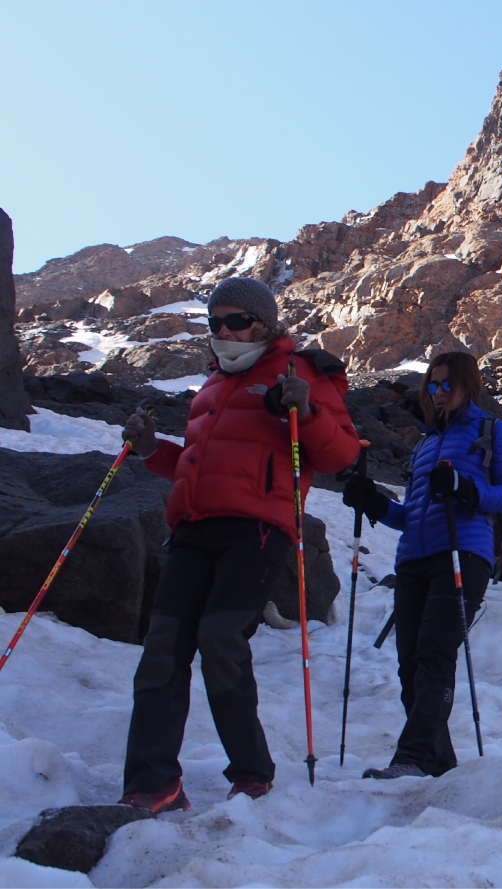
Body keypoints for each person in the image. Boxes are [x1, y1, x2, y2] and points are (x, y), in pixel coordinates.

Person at [118, 277, 361, 812]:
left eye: (235, 321)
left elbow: (342, 457)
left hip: (256, 530)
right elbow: (197, 466)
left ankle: (252, 770)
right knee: (163, 647)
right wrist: (150, 450)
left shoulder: (301, 372)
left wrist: (308, 412)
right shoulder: (210, 386)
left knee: (219, 637)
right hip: (193, 530)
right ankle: (152, 783)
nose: (223, 331)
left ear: (264, 322)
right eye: (214, 323)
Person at [341, 351, 502, 779]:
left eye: (447, 385)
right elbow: (411, 515)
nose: (438, 394)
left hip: (464, 555)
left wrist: (466, 488)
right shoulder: (425, 445)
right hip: (414, 559)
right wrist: (375, 503)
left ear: (467, 386)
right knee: (411, 663)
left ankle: (414, 757)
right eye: (433, 385)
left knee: (435, 655)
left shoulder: (492, 431)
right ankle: (439, 764)